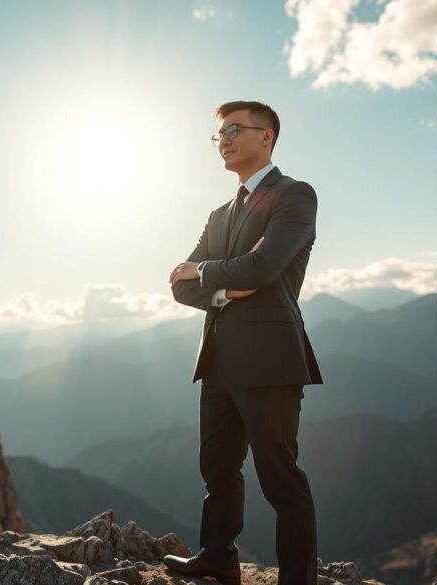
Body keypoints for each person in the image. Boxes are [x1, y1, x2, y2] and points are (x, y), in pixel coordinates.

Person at [166, 100, 323, 585]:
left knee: (280, 479)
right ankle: (218, 555)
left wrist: (209, 271)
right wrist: (228, 287)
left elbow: (261, 268)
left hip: (270, 361)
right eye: (218, 135)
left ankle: (298, 579)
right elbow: (179, 283)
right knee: (216, 469)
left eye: (234, 130)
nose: (224, 141)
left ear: (266, 136)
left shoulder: (294, 196)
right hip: (217, 360)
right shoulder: (219, 214)